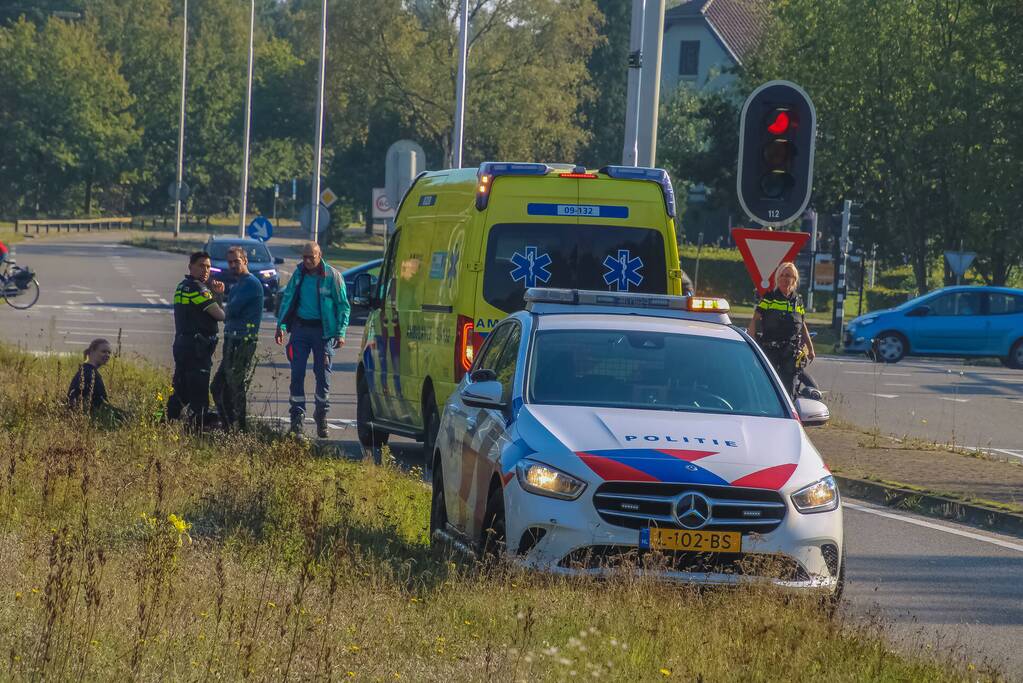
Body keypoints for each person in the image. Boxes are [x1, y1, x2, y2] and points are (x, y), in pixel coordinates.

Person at [275, 241, 350, 437]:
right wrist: (281, 326)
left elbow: (343, 306)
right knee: (297, 374)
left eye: (311, 257)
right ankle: (297, 419)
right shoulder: (298, 274)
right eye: (304, 257)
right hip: (300, 330)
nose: (307, 261)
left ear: (320, 255)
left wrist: (341, 332)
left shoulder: (332, 276)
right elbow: (288, 299)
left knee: (323, 376)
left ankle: (321, 414)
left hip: (323, 333)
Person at [167, 251, 225, 429]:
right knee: (199, 394)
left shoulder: (182, 286)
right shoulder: (198, 288)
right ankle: (196, 431)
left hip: (182, 344)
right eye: (201, 265)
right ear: (190, 267)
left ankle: (162, 421)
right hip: (196, 348)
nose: (206, 270)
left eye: (208, 267)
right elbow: (220, 315)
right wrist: (218, 295)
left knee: (180, 391)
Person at [211, 246, 263, 431]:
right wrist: (219, 296)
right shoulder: (237, 285)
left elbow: (228, 312)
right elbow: (224, 315)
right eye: (230, 262)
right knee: (220, 387)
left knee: (233, 386)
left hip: (242, 341)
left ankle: (239, 428)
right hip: (232, 339)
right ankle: (229, 426)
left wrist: (219, 299)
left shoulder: (250, 284)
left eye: (237, 261)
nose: (233, 265)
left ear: (245, 261)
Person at [747, 261, 815, 398]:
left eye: (788, 275)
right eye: (782, 275)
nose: (784, 278)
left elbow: (802, 325)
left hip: (790, 353)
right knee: (768, 385)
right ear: (777, 279)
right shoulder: (769, 298)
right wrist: (751, 344)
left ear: (794, 279)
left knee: (788, 389)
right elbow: (754, 320)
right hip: (770, 350)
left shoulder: (798, 300)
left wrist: (810, 348)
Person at [67, 338, 127, 421]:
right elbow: (102, 405)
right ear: (92, 351)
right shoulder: (91, 374)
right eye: (103, 351)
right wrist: (126, 416)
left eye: (109, 352)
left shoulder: (85, 369)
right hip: (87, 419)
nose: (107, 355)